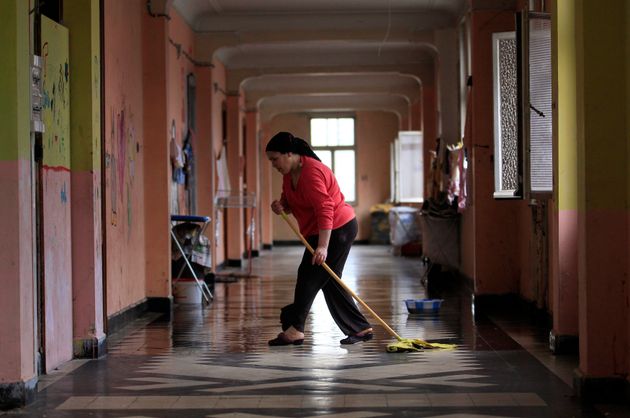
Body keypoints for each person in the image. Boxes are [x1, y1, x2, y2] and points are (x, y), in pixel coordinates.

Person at [265, 131, 373, 346]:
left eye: (275, 159)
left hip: (338, 229)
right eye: (270, 161)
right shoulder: (289, 174)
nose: (273, 165)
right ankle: (360, 328)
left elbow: (326, 209)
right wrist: (281, 206)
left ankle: (295, 328)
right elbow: (289, 200)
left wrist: (323, 246)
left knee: (308, 276)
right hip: (322, 231)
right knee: (328, 280)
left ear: (289, 154)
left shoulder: (312, 172)